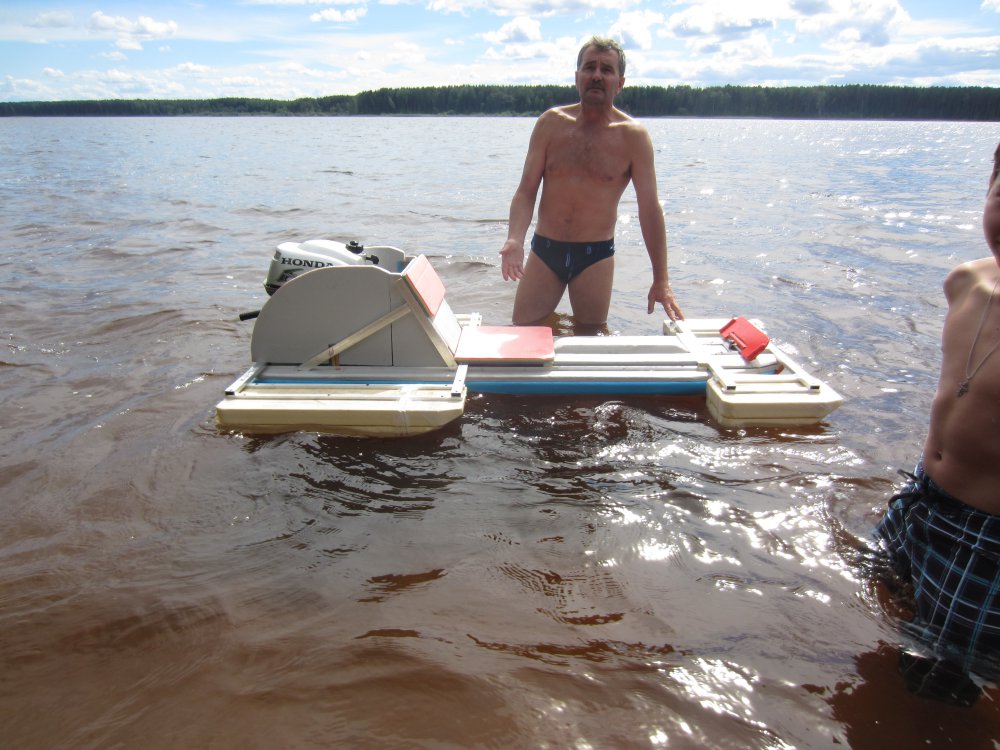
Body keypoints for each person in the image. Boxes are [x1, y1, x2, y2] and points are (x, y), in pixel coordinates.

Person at [875, 141, 1000, 705]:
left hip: (987, 540)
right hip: (921, 501)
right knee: (875, 626)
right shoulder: (964, 284)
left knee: (939, 686)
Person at [499, 36, 683, 327]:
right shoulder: (550, 124)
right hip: (546, 250)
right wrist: (515, 239)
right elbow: (526, 191)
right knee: (523, 330)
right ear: (577, 77)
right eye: (589, 68)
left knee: (591, 336)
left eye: (606, 70)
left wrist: (661, 280)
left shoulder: (633, 137)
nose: (597, 75)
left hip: (594, 256)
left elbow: (649, 209)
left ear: (620, 83)